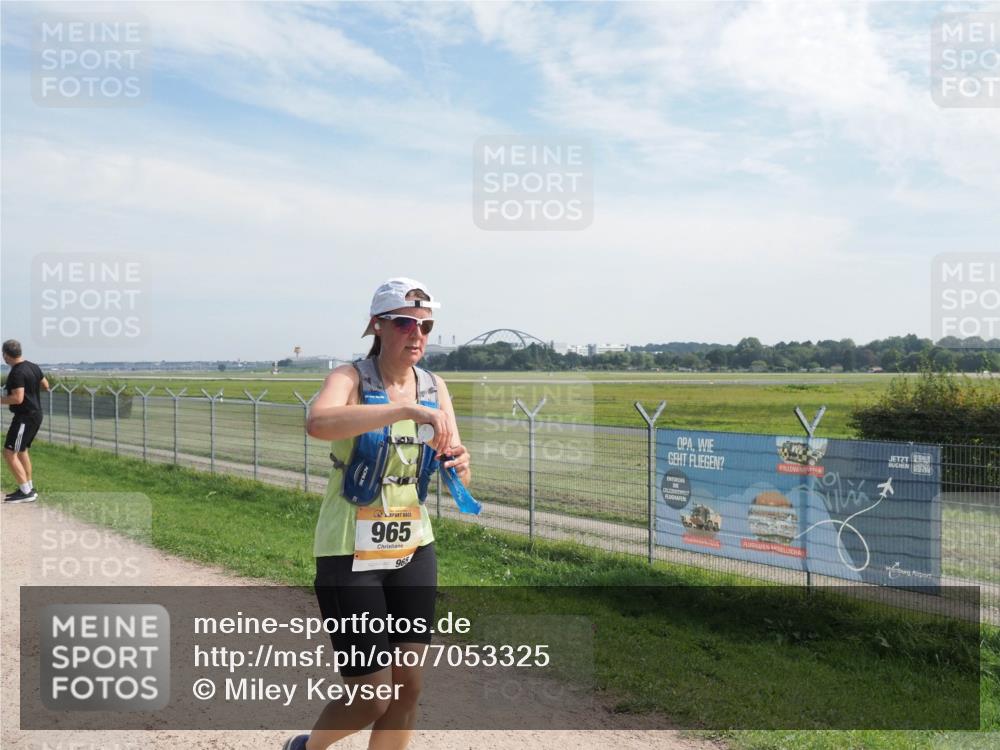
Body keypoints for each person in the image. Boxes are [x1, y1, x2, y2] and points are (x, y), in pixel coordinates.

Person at [283, 277, 471, 750]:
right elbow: (318, 422)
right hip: (349, 551)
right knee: (371, 695)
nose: (417, 334)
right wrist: (402, 409)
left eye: (425, 325)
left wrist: (459, 463)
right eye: (405, 323)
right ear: (377, 326)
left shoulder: (434, 387)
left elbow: (454, 458)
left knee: (408, 686)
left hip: (413, 546)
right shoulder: (349, 379)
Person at [2, 339, 49, 504]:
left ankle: (26, 492)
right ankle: (28, 487)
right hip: (36, 414)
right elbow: (46, 385)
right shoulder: (33, 367)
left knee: (9, 452)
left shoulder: (16, 372)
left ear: (6, 355)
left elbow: (17, 398)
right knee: (21, 451)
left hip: (25, 417)